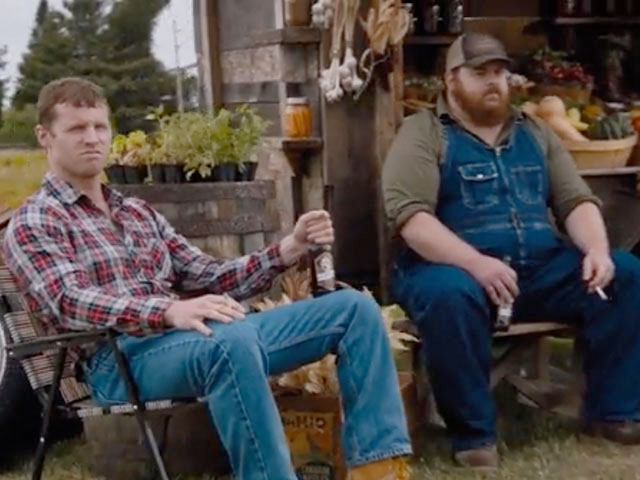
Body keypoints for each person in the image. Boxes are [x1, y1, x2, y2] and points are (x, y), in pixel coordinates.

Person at [3, 77, 413, 480]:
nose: (92, 138)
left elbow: (211, 275)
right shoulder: (36, 219)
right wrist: (168, 310)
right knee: (228, 341)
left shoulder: (136, 212)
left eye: (99, 126)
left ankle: (378, 469)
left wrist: (289, 248)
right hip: (117, 360)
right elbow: (68, 300)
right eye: (76, 128)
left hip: (198, 339)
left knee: (354, 309)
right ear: (45, 136)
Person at [383, 33, 640, 471]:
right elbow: (410, 218)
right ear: (451, 80)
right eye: (480, 73)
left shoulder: (534, 130)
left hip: (537, 269)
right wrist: (475, 263)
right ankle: (474, 434)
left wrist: (596, 250)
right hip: (449, 268)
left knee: (626, 271)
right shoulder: (423, 133)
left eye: (500, 72)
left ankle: (612, 412)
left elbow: (575, 200)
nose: (494, 82)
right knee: (450, 296)